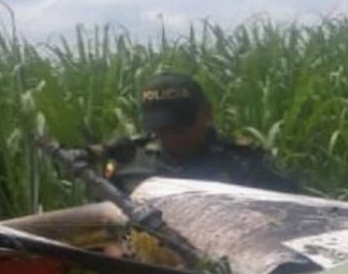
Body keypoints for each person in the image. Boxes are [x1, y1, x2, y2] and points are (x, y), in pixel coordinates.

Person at [97, 72, 301, 194]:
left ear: (208, 114)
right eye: (162, 128)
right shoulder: (128, 162)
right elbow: (104, 226)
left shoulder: (247, 165)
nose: (172, 135)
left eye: (181, 126)